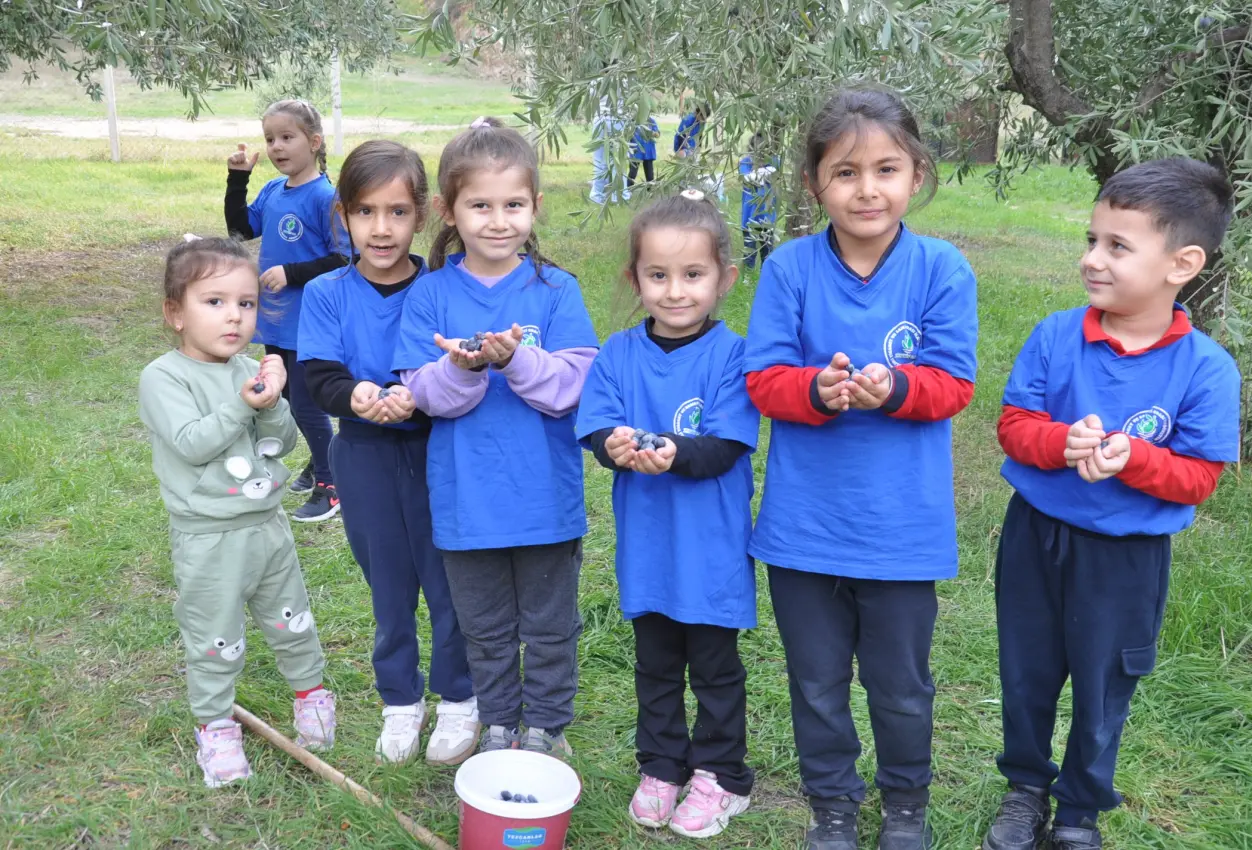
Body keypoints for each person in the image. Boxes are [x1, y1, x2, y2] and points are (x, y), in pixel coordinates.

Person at [743, 87, 979, 850]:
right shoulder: (789, 268)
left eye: (886, 169)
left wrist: (895, 389)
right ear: (814, 183)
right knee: (816, 684)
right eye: (845, 172)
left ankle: (906, 804)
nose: (867, 189)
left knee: (901, 687)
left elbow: (954, 382)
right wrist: (818, 390)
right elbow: (763, 379)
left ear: (917, 174)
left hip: (902, 533)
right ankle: (833, 805)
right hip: (803, 530)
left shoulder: (941, 269)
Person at [983, 158, 1240, 850]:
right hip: (1035, 537)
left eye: (1117, 246)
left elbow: (1198, 478)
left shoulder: (1207, 369)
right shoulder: (1055, 335)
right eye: (1092, 240)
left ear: (1182, 263)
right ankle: (1025, 787)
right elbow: (1014, 425)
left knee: (1103, 688)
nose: (1092, 258)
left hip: (1126, 559)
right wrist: (1060, 442)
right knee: (1026, 673)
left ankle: (1078, 810)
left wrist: (1136, 458)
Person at [392, 118, 599, 759]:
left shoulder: (556, 290)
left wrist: (515, 360)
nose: (498, 220)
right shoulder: (429, 294)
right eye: (480, 205)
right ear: (447, 211)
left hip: (545, 501)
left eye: (513, 205)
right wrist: (463, 368)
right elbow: (423, 394)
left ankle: (546, 728)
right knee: (483, 627)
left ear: (535, 206)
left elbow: (574, 385)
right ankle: (501, 723)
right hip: (467, 501)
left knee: (550, 625)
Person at [576, 189, 760, 839]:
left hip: (710, 550)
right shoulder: (618, 353)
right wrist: (613, 446)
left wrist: (672, 451)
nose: (675, 291)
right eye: (658, 275)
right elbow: (597, 428)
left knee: (714, 668)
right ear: (635, 279)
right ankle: (660, 765)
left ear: (724, 279)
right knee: (654, 664)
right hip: (648, 548)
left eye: (692, 274)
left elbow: (724, 447)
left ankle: (722, 773)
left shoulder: (735, 355)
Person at [296, 140, 478, 766]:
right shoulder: (327, 292)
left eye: (397, 212)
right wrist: (358, 394)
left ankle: (460, 696)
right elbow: (320, 376)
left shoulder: (444, 288)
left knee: (448, 579)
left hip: (438, 452)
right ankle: (401, 700)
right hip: (363, 454)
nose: (381, 229)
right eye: (366, 212)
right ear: (342, 215)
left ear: (421, 214)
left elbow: (458, 369)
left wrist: (417, 397)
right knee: (388, 585)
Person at [139, 238, 335, 789]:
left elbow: (282, 443)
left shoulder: (248, 368)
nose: (234, 316)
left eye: (246, 304)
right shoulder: (164, 377)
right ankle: (216, 726)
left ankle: (311, 695)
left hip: (268, 527)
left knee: (291, 619)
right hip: (209, 539)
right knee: (215, 636)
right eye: (215, 302)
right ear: (175, 313)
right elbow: (193, 442)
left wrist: (272, 403)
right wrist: (243, 404)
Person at [224, 99, 347, 522]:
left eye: (287, 137)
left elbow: (346, 258)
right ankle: (319, 460)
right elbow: (240, 230)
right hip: (275, 320)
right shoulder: (274, 190)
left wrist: (292, 273)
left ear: (313, 142)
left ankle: (333, 485)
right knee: (289, 398)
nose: (276, 147)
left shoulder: (325, 197)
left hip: (308, 320)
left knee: (307, 404)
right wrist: (238, 178)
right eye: (270, 139)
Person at [739, 132, 779, 268]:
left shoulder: (774, 162)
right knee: (749, 252)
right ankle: (747, 276)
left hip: (767, 218)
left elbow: (774, 173)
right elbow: (748, 179)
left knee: (767, 252)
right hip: (749, 217)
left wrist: (762, 173)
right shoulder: (745, 162)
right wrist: (763, 173)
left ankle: (766, 274)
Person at [628, 116, 661, 187]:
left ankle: (650, 189)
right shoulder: (633, 120)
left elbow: (658, 134)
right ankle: (628, 190)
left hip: (648, 150)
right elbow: (627, 135)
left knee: (649, 174)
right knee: (632, 173)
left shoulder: (651, 121)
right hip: (636, 151)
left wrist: (652, 133)